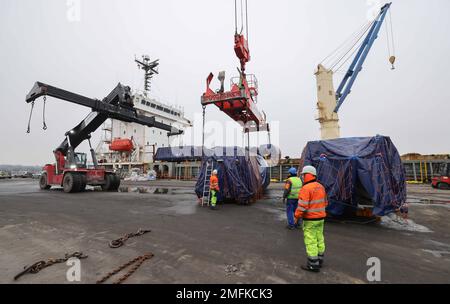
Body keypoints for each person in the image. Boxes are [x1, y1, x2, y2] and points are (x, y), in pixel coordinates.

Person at [294, 165, 328, 273]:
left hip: (310, 220)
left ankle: (313, 265)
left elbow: (302, 206)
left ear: (308, 175)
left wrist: (296, 217)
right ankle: (320, 260)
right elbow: (325, 203)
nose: (303, 177)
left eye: (303, 175)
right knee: (319, 238)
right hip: (321, 218)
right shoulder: (321, 187)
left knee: (311, 241)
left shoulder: (306, 188)